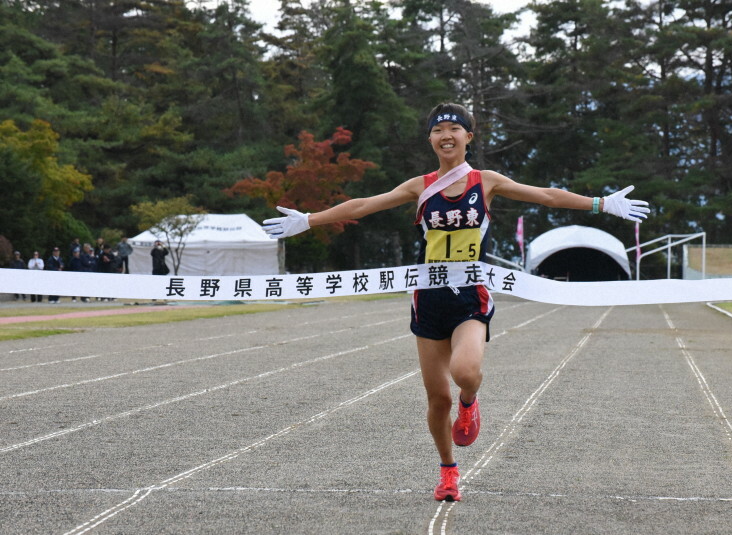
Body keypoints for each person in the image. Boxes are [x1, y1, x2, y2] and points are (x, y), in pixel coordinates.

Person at [262, 103, 649, 502]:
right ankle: (448, 471)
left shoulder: (486, 181)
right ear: (430, 139)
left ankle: (471, 404)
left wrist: (601, 204)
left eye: (454, 128)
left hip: (469, 296)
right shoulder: (420, 186)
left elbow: (547, 196)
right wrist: (308, 220)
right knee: (436, 398)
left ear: (469, 137)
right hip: (428, 299)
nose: (446, 134)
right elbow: (363, 205)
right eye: (438, 129)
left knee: (465, 373)